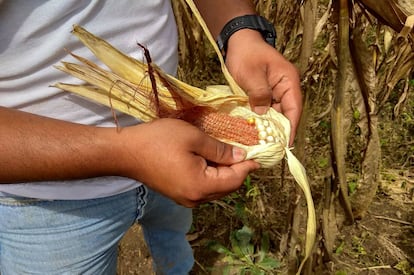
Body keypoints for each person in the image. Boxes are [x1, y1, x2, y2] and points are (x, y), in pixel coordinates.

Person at [0, 0, 302, 274]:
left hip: (181, 151)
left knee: (175, 247)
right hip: (47, 204)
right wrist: (126, 153)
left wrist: (240, 30)